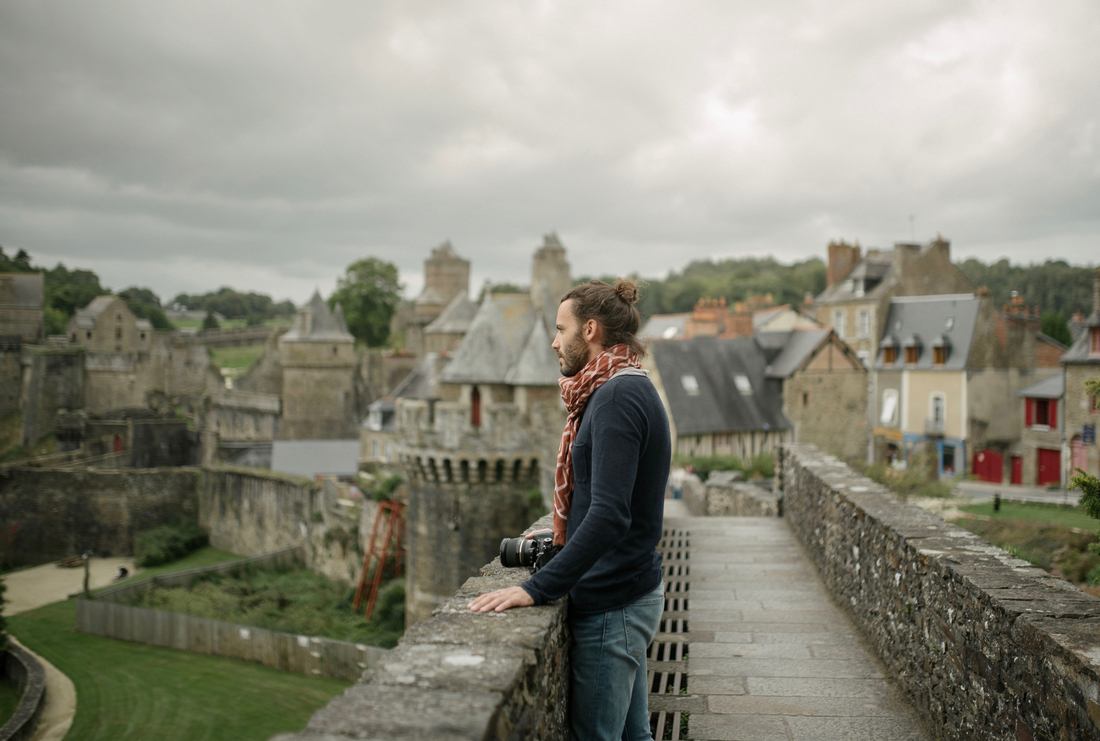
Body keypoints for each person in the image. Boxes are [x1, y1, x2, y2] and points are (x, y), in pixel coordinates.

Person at [469, 279, 671, 741]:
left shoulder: (617, 397)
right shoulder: (623, 386)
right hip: (628, 592)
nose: (553, 340)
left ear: (592, 329)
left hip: (613, 604)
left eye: (562, 329)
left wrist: (538, 588)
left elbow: (608, 515)